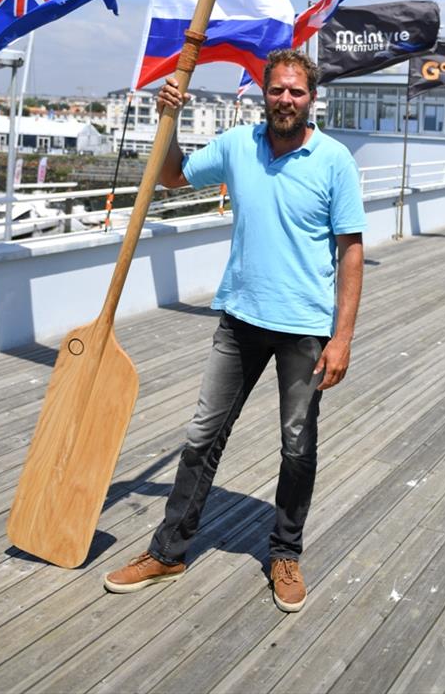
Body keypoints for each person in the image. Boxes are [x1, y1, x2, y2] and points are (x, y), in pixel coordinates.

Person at [104, 48, 365, 613]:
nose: (286, 100)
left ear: (311, 98)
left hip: (305, 329)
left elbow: (350, 252)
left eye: (296, 91)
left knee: (297, 446)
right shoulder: (236, 146)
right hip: (240, 318)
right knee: (202, 436)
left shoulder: (334, 160)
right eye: (277, 90)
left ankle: (285, 552)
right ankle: (169, 551)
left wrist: (342, 338)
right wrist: (167, 120)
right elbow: (172, 177)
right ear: (264, 93)